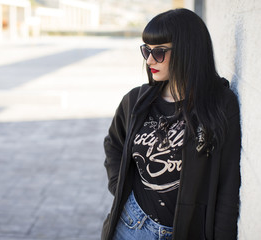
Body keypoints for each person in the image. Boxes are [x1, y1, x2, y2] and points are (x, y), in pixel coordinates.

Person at [101, 8, 241, 240]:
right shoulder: (135, 101)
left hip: (186, 233)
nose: (149, 60)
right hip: (131, 226)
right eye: (146, 50)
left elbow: (228, 184)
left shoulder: (220, 105)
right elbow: (114, 144)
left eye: (159, 52)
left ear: (188, 51)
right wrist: (120, 188)